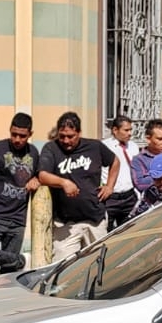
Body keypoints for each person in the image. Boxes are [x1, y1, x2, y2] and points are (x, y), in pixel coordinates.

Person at [37, 111, 119, 263]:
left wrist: (109, 186)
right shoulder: (51, 149)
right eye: (62, 136)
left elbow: (115, 162)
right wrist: (64, 182)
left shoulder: (94, 146)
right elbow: (42, 175)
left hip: (95, 220)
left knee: (100, 265)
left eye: (70, 136)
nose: (66, 140)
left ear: (79, 133)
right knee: (62, 268)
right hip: (66, 224)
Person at [0, 112, 40, 273]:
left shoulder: (33, 153)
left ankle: (6, 294)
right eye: (14, 134)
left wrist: (37, 179)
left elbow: (41, 175)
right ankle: (22, 261)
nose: (17, 139)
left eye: (22, 136)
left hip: (18, 219)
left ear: (30, 134)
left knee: (8, 271)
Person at [100, 115, 138, 229]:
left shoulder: (133, 146)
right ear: (115, 130)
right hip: (111, 198)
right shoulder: (104, 146)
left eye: (130, 130)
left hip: (129, 196)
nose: (129, 133)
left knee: (129, 230)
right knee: (108, 231)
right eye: (126, 130)